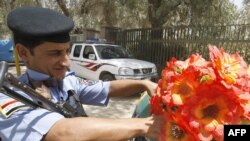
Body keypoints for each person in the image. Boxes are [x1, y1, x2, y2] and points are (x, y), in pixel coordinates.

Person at [0, 7, 163, 141]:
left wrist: (144, 84)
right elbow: (61, 133)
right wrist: (144, 126)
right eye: (55, 53)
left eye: (67, 51)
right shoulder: (9, 99)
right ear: (24, 53)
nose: (66, 62)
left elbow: (108, 87)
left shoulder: (67, 81)